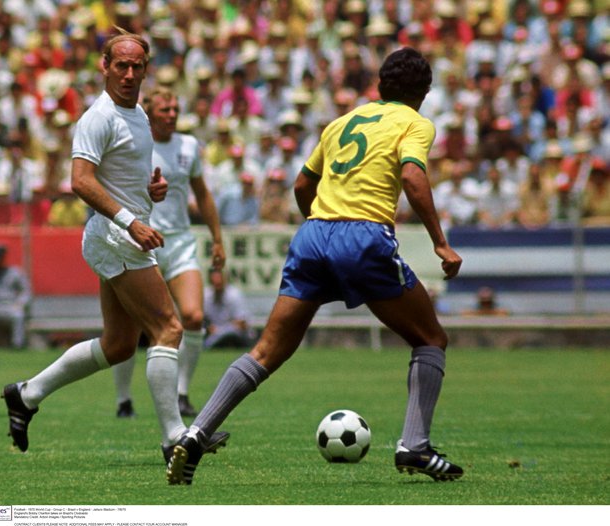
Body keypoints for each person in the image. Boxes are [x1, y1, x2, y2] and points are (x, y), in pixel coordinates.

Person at [166, 47, 464, 486]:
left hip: (313, 234)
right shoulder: (415, 123)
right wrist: (441, 242)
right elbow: (413, 177)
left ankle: (195, 434)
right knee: (430, 337)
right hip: (363, 236)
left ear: (380, 85)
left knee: (268, 350)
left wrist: (320, 223)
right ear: (422, 93)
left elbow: (303, 184)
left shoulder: (341, 123)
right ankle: (414, 446)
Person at [0, 31, 227, 474]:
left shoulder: (137, 113)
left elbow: (119, 177)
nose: (127, 73)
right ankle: (174, 439)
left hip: (121, 234)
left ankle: (26, 394)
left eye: (136, 66)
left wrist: (151, 192)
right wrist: (131, 221)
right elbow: (80, 180)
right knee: (169, 328)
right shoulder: (97, 117)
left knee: (120, 344)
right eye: (119, 65)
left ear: (145, 69)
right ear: (104, 66)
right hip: (116, 236)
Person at [111, 86, 226, 419]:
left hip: (179, 241)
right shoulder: (134, 143)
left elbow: (202, 195)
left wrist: (217, 238)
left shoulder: (188, 146)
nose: (172, 115)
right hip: (141, 241)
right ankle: (123, 399)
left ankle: (183, 392)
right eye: (165, 110)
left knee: (192, 316)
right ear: (149, 112)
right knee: (132, 325)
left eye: (175, 109)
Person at [203, 267, 256, 350]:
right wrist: (208, 328)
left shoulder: (234, 295)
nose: (217, 285)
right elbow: (203, 320)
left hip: (236, 335)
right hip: (214, 337)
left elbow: (241, 324)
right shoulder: (206, 295)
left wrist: (220, 331)